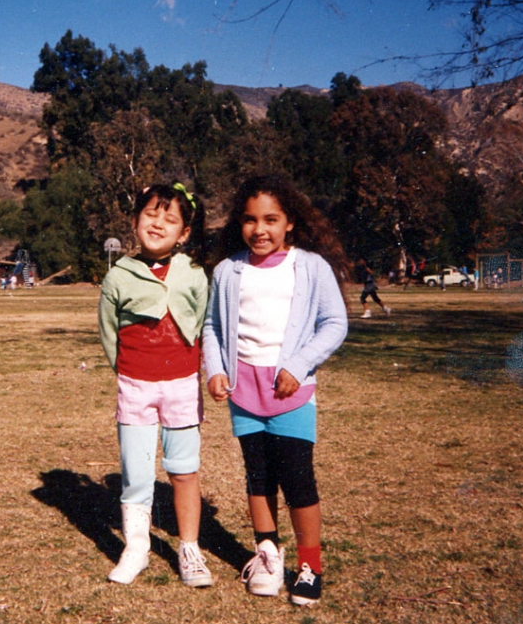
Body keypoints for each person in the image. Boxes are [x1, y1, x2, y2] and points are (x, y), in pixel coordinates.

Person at [204, 174, 350, 607]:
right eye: (250, 220)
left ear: (289, 223)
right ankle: (267, 554)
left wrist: (299, 364)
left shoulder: (309, 267)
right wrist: (215, 369)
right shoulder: (228, 271)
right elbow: (213, 326)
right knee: (258, 476)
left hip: (292, 391)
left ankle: (309, 565)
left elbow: (335, 324)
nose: (260, 229)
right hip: (244, 390)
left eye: (271, 219)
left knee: (297, 478)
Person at [98, 183, 213, 588]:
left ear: (183, 233)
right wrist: (131, 373)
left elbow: (202, 324)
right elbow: (109, 334)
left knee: (183, 470)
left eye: (170, 219)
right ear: (135, 221)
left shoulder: (195, 275)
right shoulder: (118, 276)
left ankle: (190, 548)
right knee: (136, 471)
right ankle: (135, 548)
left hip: (182, 386)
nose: (157, 224)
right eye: (150, 214)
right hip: (135, 387)